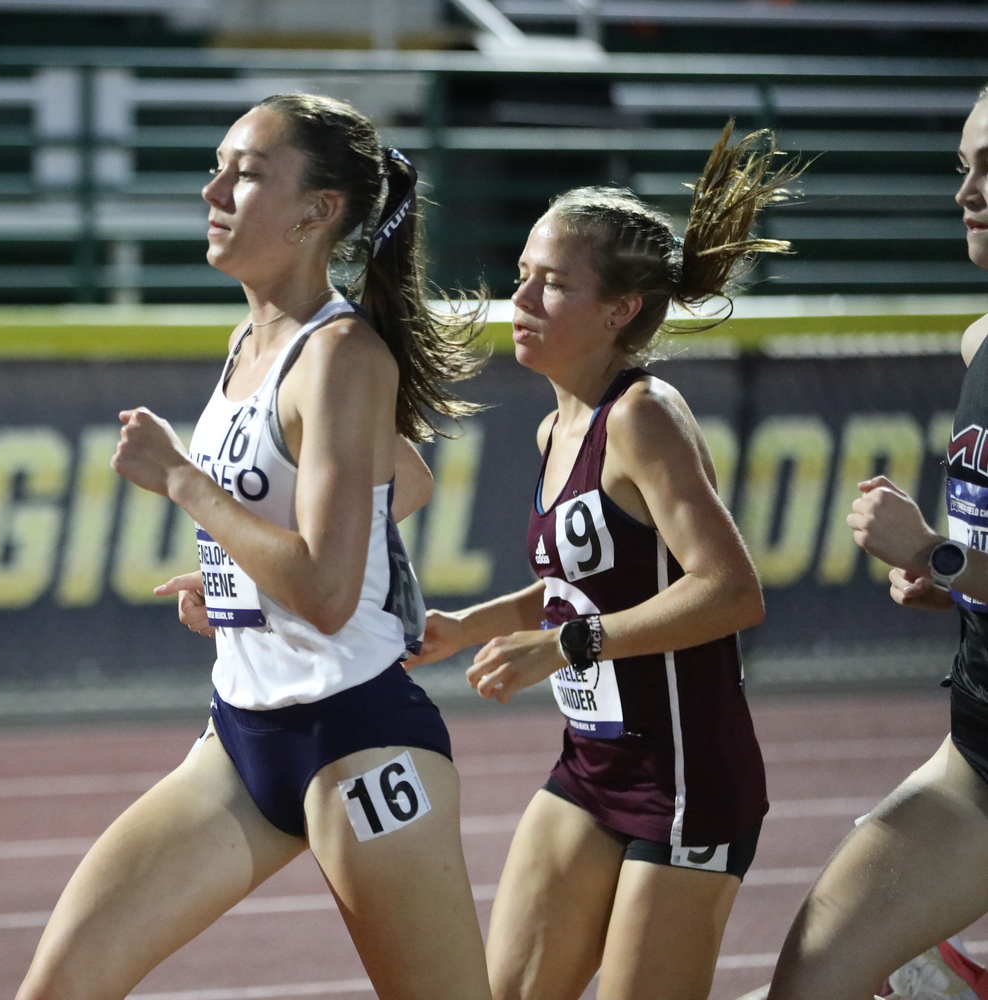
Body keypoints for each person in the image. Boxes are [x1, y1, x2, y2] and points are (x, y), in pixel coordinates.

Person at [16, 93, 490, 1000]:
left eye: (245, 173)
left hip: (360, 744)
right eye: (218, 167)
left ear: (318, 212)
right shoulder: (254, 339)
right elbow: (406, 482)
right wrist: (235, 577)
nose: (213, 189)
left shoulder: (341, 354)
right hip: (240, 739)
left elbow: (323, 590)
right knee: (58, 987)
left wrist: (184, 483)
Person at [408, 122, 800, 1000]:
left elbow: (731, 591)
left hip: (689, 778)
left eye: (553, 285)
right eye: (521, 276)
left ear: (620, 310)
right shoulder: (557, 427)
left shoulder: (643, 414)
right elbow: (575, 584)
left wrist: (568, 646)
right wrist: (469, 624)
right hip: (592, 767)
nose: (523, 299)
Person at [764, 86, 988, 1000]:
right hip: (980, 759)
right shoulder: (983, 343)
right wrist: (952, 582)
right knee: (813, 979)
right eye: (964, 167)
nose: (967, 192)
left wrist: (938, 553)